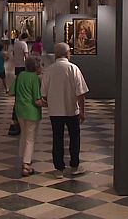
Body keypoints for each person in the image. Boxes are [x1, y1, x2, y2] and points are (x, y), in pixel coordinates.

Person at [41, 42, 89, 178]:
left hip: (55, 111)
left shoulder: (49, 70)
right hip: (71, 110)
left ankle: (59, 169)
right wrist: (82, 112)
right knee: (74, 138)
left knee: (57, 139)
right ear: (67, 54)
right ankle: (74, 166)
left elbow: (43, 93)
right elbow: (81, 93)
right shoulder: (74, 69)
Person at [9, 57, 45, 177]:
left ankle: (23, 157)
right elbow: (37, 100)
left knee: (24, 135)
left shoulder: (20, 75)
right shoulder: (34, 78)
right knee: (30, 138)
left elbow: (11, 92)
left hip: (20, 110)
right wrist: (48, 103)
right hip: (31, 112)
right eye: (40, 66)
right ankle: (26, 164)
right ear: (36, 67)